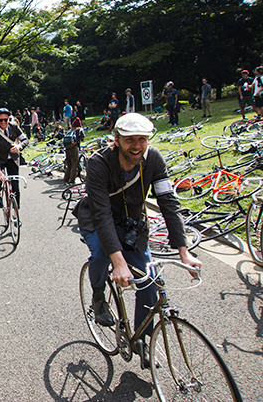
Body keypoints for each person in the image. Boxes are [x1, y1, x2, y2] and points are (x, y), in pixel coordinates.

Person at [73, 113, 202, 367]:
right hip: (98, 218)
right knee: (100, 254)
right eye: (130, 139)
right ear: (116, 139)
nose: (136, 145)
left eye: (142, 139)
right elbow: (101, 213)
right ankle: (98, 295)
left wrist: (184, 251)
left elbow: (168, 202)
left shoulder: (153, 158)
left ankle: (141, 340)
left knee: (148, 280)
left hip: (132, 222)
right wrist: (118, 261)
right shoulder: (99, 163)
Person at [0, 108, 28, 208]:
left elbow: (25, 140)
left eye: (6, 119)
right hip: (0, 158)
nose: (4, 122)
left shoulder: (14, 126)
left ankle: (15, 213)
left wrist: (19, 146)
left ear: (9, 119)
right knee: (0, 177)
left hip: (12, 158)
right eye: (1, 120)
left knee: (15, 186)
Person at [63, 116, 84, 185]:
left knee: (69, 164)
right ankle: (71, 180)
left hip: (67, 148)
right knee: (74, 164)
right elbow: (83, 137)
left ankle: (66, 177)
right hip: (74, 148)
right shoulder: (79, 129)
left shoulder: (70, 131)